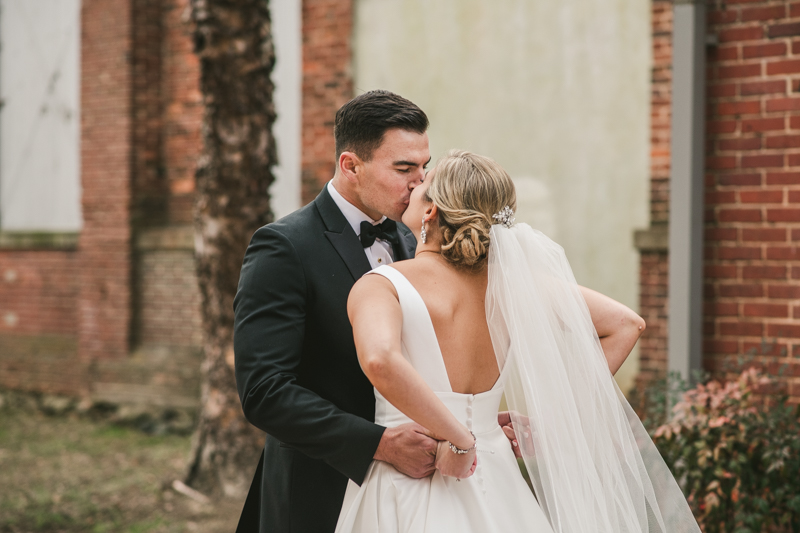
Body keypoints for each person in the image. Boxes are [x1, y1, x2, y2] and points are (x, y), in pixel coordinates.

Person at [336, 150, 702, 532]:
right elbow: (626, 325)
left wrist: (462, 440)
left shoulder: (382, 285)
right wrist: (548, 422)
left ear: (431, 212)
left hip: (408, 481)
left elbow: (379, 360)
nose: (414, 183)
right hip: (496, 479)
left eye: (423, 183)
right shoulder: (512, 288)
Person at [234, 90, 451, 532]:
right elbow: (265, 392)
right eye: (404, 168)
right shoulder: (284, 247)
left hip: (416, 494)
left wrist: (466, 415)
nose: (420, 183)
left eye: (424, 167)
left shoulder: (412, 241)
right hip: (319, 491)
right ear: (351, 165)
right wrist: (380, 444)